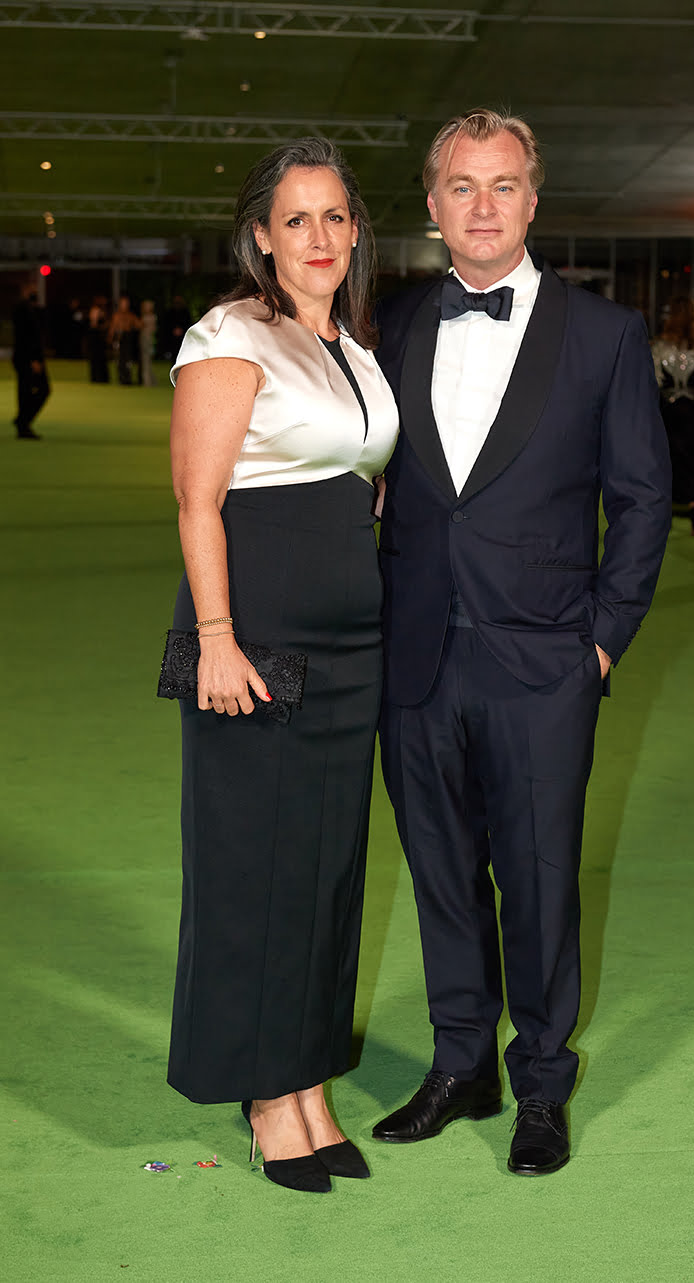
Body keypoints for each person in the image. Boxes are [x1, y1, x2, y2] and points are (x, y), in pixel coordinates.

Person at [371, 109, 671, 1176]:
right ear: (433, 203)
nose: (484, 205)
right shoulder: (394, 323)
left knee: (539, 879)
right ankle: (463, 1063)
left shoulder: (603, 335)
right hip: (413, 658)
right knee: (442, 870)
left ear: (533, 201)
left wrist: (601, 643)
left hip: (545, 660)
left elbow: (643, 499)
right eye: (462, 185)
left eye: (503, 185)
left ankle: (542, 1079)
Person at [167, 139, 398, 1194]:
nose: (319, 237)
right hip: (258, 642)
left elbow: (364, 482)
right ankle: (266, 1095)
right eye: (296, 219)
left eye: (335, 217)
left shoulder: (353, 343)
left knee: (328, 870)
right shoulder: (229, 332)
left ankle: (310, 1082)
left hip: (352, 650)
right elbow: (199, 499)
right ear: (262, 234)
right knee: (257, 869)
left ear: (357, 232)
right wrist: (216, 635)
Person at [651, 296, 694, 535]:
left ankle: (662, 517)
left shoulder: (659, 347)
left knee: (665, 461)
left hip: (668, 411)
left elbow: (654, 379)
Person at [12, 286, 50, 440]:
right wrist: (34, 359)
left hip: (25, 357)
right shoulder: (23, 310)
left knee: (26, 391)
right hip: (28, 358)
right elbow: (26, 337)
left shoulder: (26, 309)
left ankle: (22, 421)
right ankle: (23, 422)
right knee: (36, 390)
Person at [108, 294, 140, 385]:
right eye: (123, 303)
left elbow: (139, 325)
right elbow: (113, 328)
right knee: (120, 360)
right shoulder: (117, 316)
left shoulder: (131, 315)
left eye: (126, 303)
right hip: (120, 339)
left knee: (128, 360)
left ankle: (128, 379)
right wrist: (110, 338)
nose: (124, 305)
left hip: (128, 339)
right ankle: (121, 379)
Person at [87, 297, 110, 383]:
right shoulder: (95, 309)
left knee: (101, 358)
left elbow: (105, 324)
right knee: (95, 358)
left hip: (100, 337)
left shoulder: (103, 311)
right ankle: (96, 378)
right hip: (95, 336)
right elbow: (94, 324)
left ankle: (101, 378)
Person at [139, 299, 157, 386]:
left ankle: (147, 381)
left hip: (147, 340)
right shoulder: (151, 317)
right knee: (147, 362)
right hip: (147, 340)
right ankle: (150, 381)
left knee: (146, 361)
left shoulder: (148, 318)